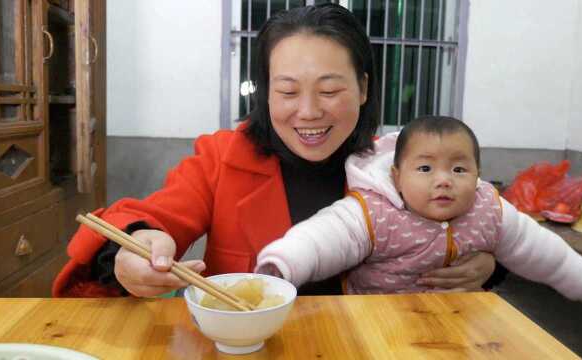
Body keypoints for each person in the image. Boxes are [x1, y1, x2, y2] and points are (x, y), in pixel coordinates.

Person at [52, 4, 498, 298]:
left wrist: (488, 266)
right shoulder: (222, 157)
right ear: (265, 93)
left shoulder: (398, 166)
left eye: (329, 90)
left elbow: (494, 224)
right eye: (287, 91)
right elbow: (141, 223)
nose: (307, 112)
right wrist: (128, 257)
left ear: (363, 88)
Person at [256, 116, 582, 304]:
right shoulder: (375, 211)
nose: (443, 181)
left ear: (478, 175)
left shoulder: (489, 209)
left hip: (459, 319)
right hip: (377, 320)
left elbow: (542, 251)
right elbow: (322, 238)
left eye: (458, 169)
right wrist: (283, 263)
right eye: (425, 169)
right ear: (397, 176)